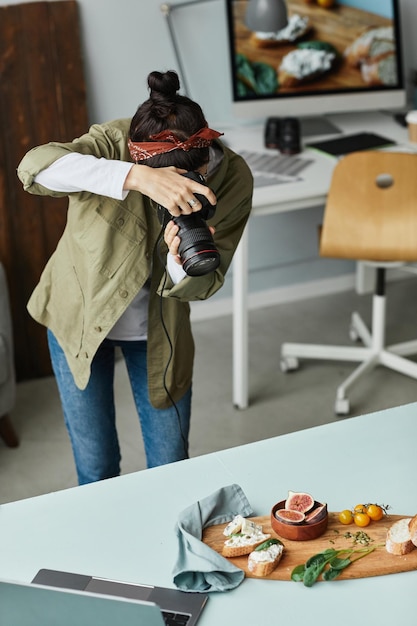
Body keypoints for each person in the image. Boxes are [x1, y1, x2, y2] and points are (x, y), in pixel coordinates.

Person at [17, 70, 253, 485]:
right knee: (96, 466)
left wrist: (182, 260)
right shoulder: (114, 142)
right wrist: (134, 177)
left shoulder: (233, 178)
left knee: (170, 465)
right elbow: (34, 169)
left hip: (160, 333)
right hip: (80, 316)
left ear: (205, 161)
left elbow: (207, 281)